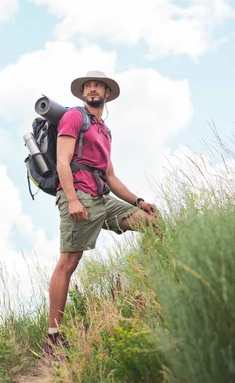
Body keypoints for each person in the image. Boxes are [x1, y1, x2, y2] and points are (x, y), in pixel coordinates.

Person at [45, 70, 161, 354]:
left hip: (101, 196)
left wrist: (138, 201)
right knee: (68, 263)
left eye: (98, 86)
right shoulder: (74, 117)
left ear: (107, 94)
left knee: (152, 223)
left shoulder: (104, 130)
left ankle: (141, 290)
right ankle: (53, 337)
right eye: (89, 86)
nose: (93, 89)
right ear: (83, 93)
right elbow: (62, 161)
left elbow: (110, 176)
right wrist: (72, 199)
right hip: (79, 195)